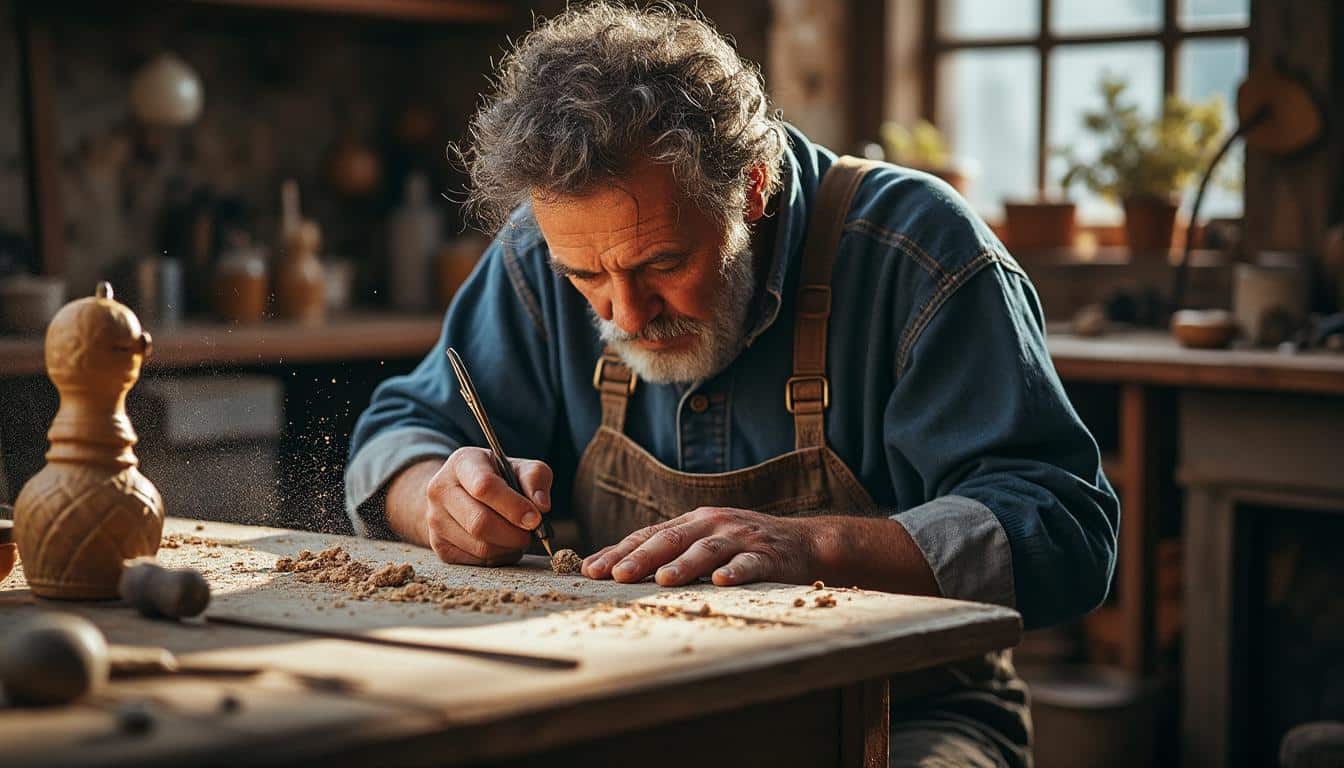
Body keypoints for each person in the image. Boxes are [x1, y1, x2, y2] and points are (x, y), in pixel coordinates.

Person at [346, 4, 1119, 765]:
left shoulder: (916, 251)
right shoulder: (542, 249)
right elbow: (400, 434)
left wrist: (819, 545)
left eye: (661, 266)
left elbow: (1066, 528)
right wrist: (435, 498)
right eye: (586, 276)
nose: (625, 314)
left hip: (898, 712)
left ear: (750, 189)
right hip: (622, 706)